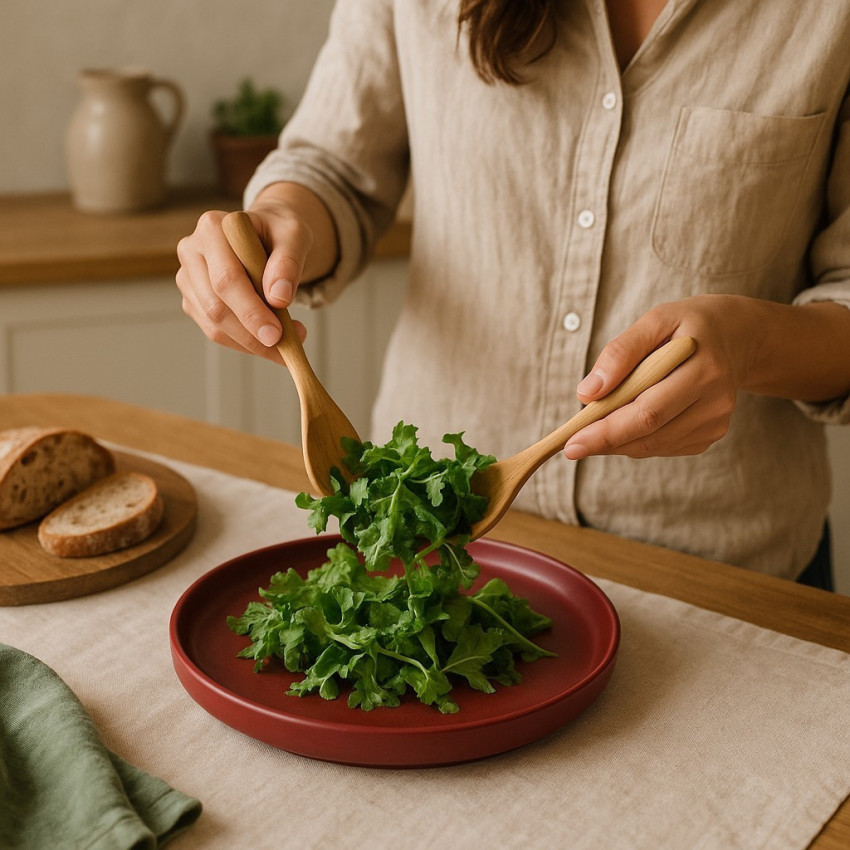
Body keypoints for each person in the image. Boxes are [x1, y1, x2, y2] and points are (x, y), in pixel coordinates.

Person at [176, 0, 850, 589]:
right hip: (426, 547)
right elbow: (333, 167)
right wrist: (283, 221)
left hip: (723, 577)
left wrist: (746, 344)